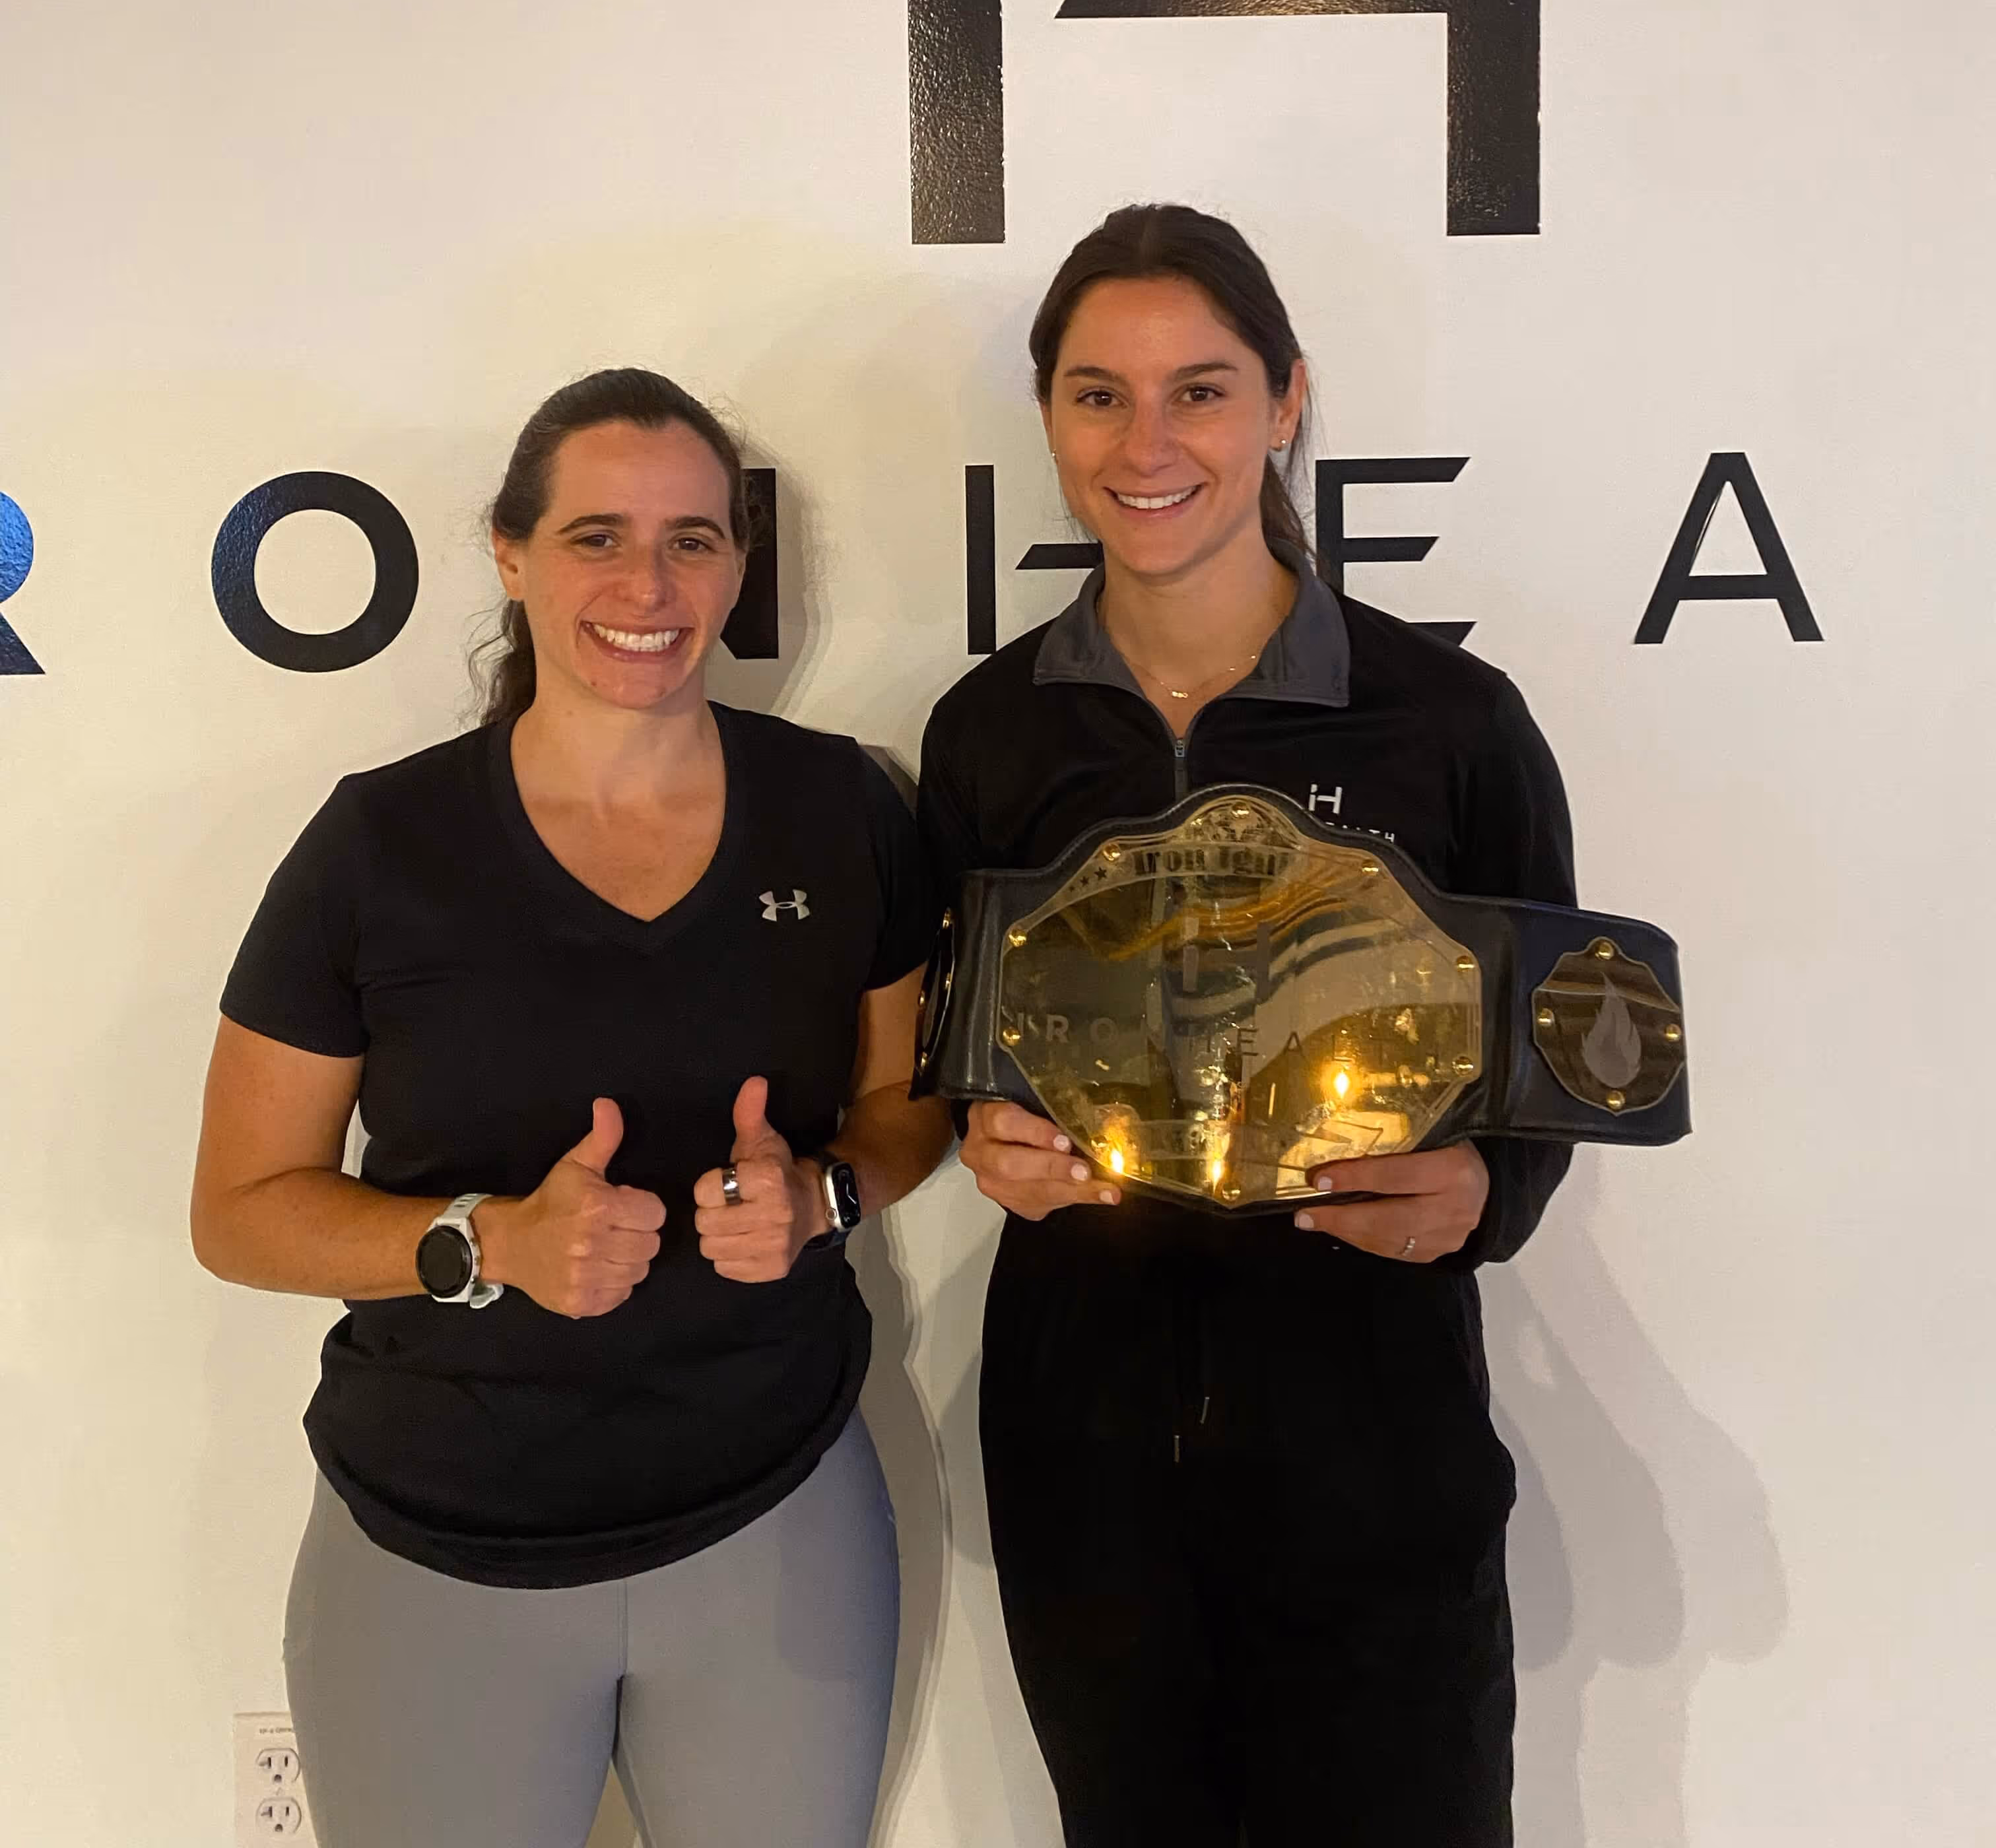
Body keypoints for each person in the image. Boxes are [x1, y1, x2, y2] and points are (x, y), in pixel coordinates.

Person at [191, 368, 952, 1848]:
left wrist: (826, 1196)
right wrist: (484, 1244)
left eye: (695, 540)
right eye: (599, 536)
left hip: (777, 1515)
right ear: (511, 553)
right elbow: (239, 1209)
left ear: (738, 565)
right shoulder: (379, 845)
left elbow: (903, 1100)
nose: (650, 585)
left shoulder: (842, 810)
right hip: (434, 1537)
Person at [919, 206, 1578, 1848]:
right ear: (1050, 417)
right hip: (1088, 1455)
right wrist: (980, 1141)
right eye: (1097, 396)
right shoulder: (992, 731)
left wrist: (1490, 1194)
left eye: (1199, 391)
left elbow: (1562, 1048)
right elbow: (952, 1052)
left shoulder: (1449, 724)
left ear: (1286, 401)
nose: (1147, 444)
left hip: (1376, 1449)